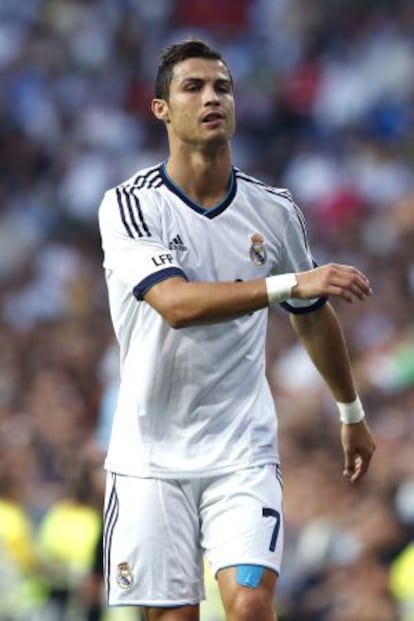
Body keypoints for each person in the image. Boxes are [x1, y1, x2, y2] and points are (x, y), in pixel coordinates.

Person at [98, 38, 376, 621]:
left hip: (242, 451)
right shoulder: (129, 207)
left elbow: (312, 316)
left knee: (250, 606)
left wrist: (350, 412)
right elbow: (174, 303)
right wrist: (288, 284)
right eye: (192, 87)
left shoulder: (273, 211)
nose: (211, 97)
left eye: (222, 87)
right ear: (161, 109)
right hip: (150, 457)